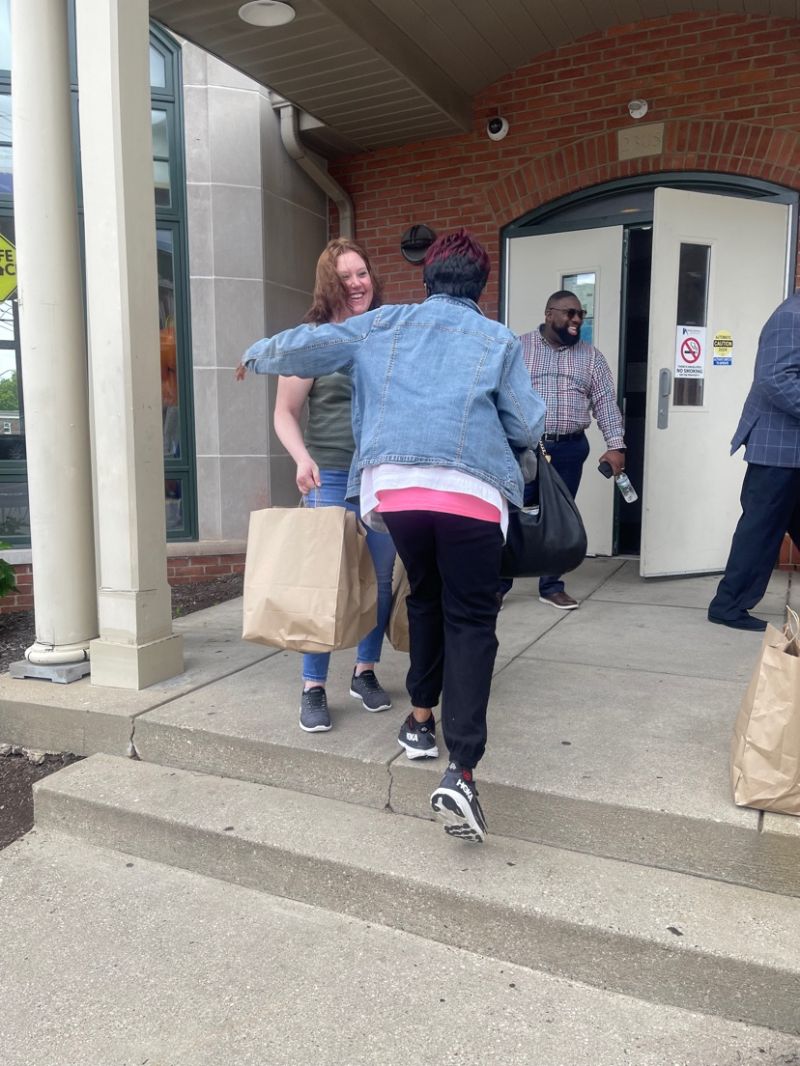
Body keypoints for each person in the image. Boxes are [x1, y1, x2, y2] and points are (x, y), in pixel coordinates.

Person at [237, 229, 546, 844]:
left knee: (424, 597)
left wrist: (258, 353)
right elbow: (528, 419)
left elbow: (313, 344)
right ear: (479, 287)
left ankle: (420, 720)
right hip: (470, 495)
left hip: (395, 492)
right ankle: (461, 772)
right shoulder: (496, 338)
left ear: (427, 278)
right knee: (472, 621)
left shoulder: (384, 324)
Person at [236, 238, 396, 732]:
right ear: (329, 284)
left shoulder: (385, 334)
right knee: (323, 581)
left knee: (381, 581)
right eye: (344, 277)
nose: (356, 284)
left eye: (362, 274)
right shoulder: (314, 340)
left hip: (378, 476)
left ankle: (364, 672)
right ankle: (313, 687)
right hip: (328, 473)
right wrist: (301, 457)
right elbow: (284, 413)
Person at [501, 290, 626, 610]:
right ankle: (498, 584)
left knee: (559, 515)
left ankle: (551, 585)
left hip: (570, 449)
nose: (576, 320)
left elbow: (605, 405)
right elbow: (499, 394)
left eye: (580, 314)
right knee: (511, 513)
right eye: (569, 313)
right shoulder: (518, 347)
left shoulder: (592, 357)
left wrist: (616, 446)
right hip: (523, 449)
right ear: (549, 313)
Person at [708, 292, 800, 631]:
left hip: (792, 449)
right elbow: (775, 378)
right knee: (760, 531)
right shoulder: (792, 316)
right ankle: (728, 606)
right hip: (778, 447)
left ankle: (730, 602)